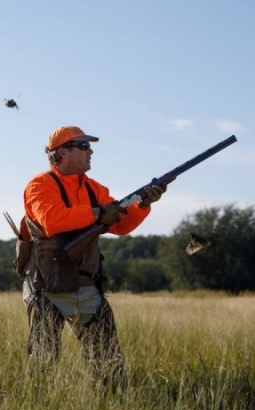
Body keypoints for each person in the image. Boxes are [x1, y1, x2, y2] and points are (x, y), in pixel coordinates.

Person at [18, 125, 168, 384]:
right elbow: (52, 220)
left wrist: (143, 205)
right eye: (84, 146)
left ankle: (113, 407)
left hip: (88, 287)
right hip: (47, 289)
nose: (91, 152)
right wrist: (98, 213)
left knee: (109, 364)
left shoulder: (95, 189)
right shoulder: (40, 184)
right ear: (62, 152)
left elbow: (120, 225)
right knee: (43, 365)